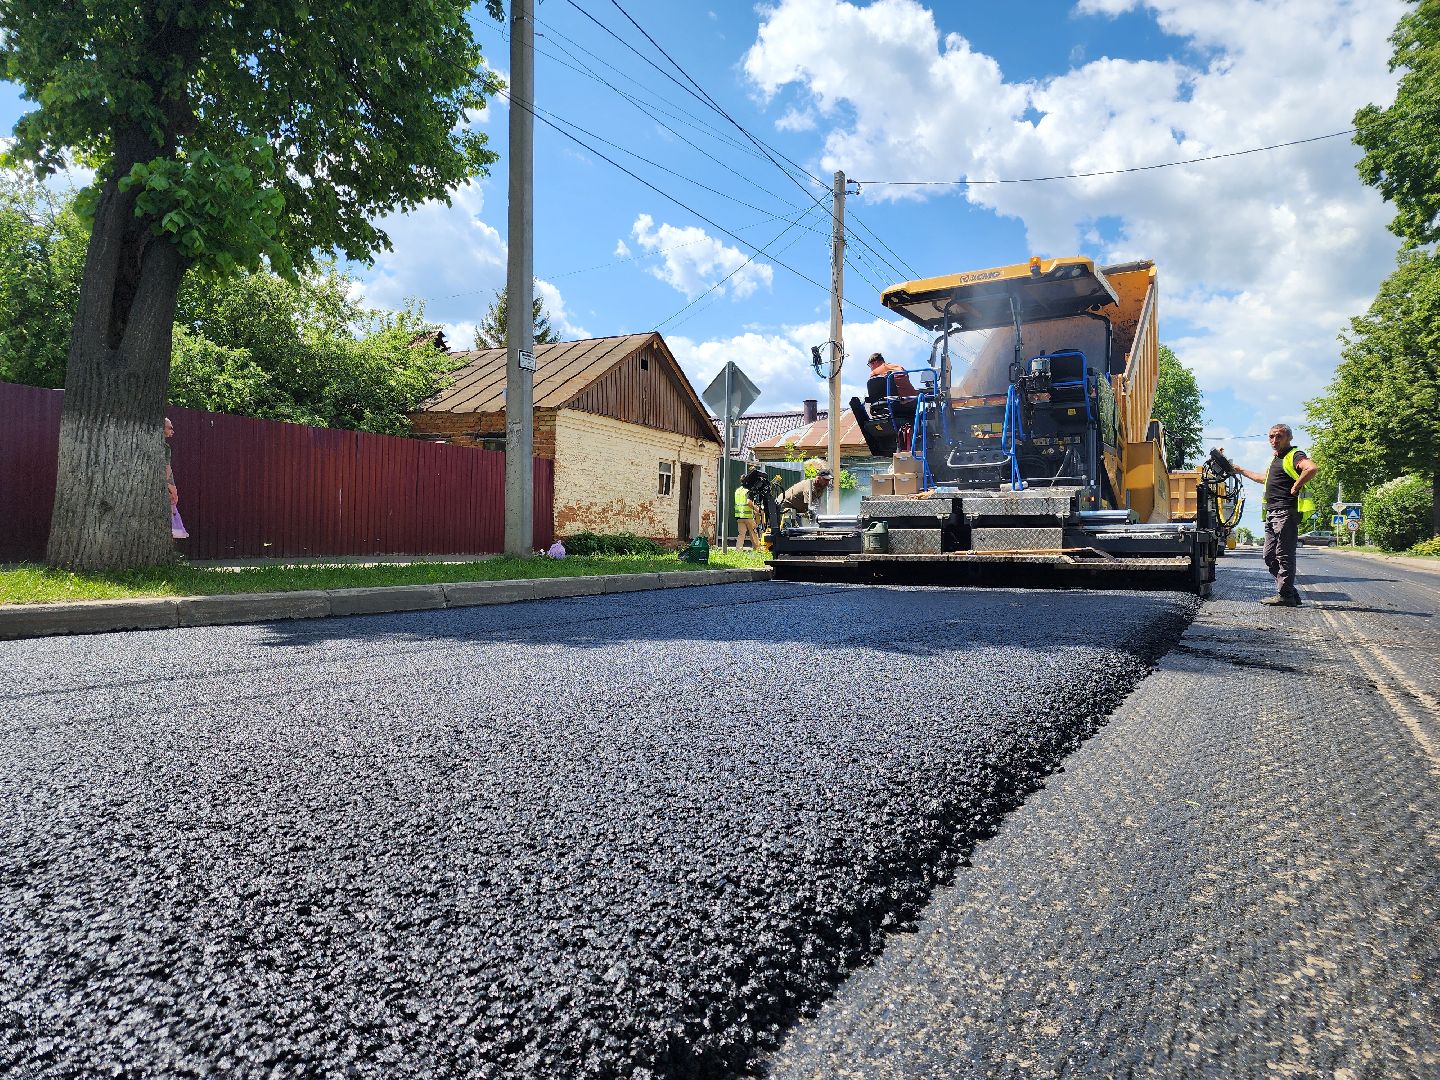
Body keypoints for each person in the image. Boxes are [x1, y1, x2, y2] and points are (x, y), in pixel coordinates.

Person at [1233, 423, 1317, 606]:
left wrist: (1297, 485)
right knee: (1269, 555)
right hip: (1273, 513)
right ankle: (1289, 591)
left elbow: (1310, 468)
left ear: (1289, 438)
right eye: (1271, 436)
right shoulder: (1276, 459)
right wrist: (1241, 471)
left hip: (1286, 511)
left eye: (1279, 436)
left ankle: (1285, 595)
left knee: (1284, 555)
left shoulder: (1294, 455)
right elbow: (1264, 479)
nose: (1274, 440)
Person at [779, 458, 833, 526]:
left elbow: (819, 505)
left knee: (800, 529)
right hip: (784, 507)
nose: (827, 483)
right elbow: (811, 508)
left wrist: (827, 517)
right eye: (826, 480)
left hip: (795, 509)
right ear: (818, 478)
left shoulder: (820, 487)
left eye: (828, 480)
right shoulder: (809, 487)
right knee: (794, 531)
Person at [165, 417, 188, 540]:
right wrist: (170, 488)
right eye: (170, 428)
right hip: (167, 486)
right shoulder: (165, 447)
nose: (172, 431)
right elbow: (166, 469)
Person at [734, 482, 762, 549]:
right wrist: (757, 510)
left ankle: (738, 550)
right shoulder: (748, 491)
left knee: (741, 534)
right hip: (748, 516)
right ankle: (757, 549)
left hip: (739, 516)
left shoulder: (737, 491)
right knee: (753, 533)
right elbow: (749, 502)